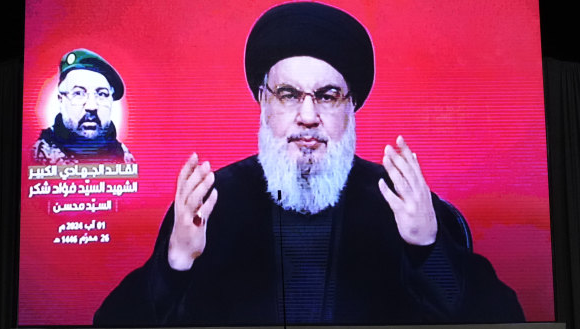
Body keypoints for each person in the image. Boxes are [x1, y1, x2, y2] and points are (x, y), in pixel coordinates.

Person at [94, 2, 523, 326]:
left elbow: (505, 320)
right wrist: (174, 264)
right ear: (264, 103)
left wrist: (428, 246)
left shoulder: (400, 201)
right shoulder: (211, 203)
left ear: (350, 107)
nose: (307, 115)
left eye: (327, 95)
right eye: (287, 95)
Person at [32, 48, 135, 165]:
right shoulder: (37, 157)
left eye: (102, 94)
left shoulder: (126, 159)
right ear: (61, 100)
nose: (91, 106)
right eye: (78, 93)